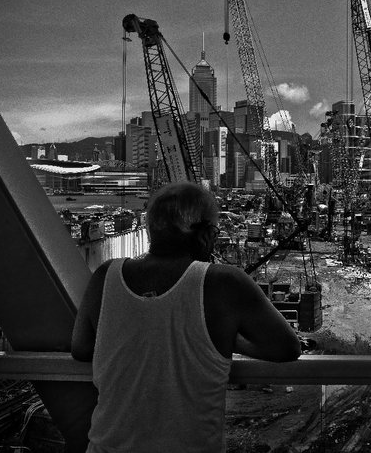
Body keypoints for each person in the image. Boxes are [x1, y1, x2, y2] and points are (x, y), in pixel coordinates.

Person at [72, 182, 301, 453]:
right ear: (204, 235)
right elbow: (287, 347)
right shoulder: (224, 282)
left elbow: (82, 348)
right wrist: (230, 342)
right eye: (215, 232)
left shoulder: (105, 276)